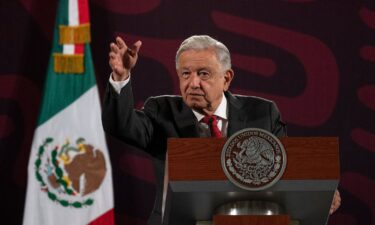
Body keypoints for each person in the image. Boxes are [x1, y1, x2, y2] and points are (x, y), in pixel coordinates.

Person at [102, 35, 339, 225]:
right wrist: (121, 78)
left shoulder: (262, 113)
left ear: (226, 78)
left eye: (203, 73)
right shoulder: (161, 111)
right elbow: (120, 125)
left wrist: (319, 190)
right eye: (186, 74)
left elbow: (283, 169)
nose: (193, 83)